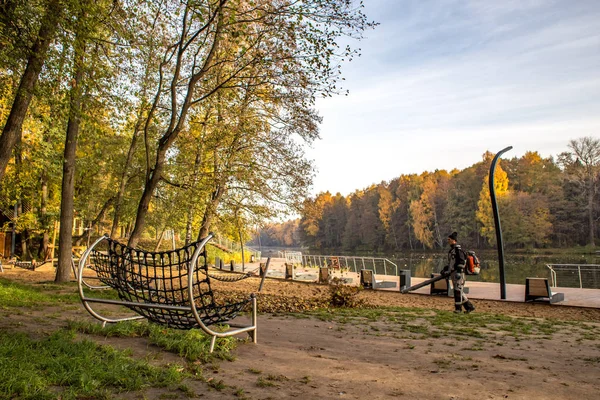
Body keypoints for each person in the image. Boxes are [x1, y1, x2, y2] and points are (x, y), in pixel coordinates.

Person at [442, 232, 475, 314]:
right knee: (459, 291)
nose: (448, 241)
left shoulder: (458, 251)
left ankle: (458, 309)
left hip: (458, 274)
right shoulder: (452, 251)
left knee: (457, 291)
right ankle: (469, 307)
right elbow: (451, 263)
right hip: (454, 273)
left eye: (449, 239)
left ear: (454, 240)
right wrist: (445, 270)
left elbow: (461, 262)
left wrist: (458, 272)